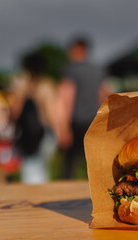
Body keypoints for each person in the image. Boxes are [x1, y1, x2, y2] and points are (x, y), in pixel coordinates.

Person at [58, 37, 105, 179]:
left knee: (69, 164)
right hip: (93, 121)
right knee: (91, 163)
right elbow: (103, 96)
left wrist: (63, 128)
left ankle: (66, 197)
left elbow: (66, 99)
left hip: (75, 120)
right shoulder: (97, 71)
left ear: (78, 50)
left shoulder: (71, 70)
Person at [10, 52, 58, 184]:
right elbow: (51, 114)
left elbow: (14, 112)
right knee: (41, 169)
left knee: (29, 169)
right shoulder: (46, 85)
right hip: (44, 132)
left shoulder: (21, 85)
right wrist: (59, 131)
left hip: (26, 134)